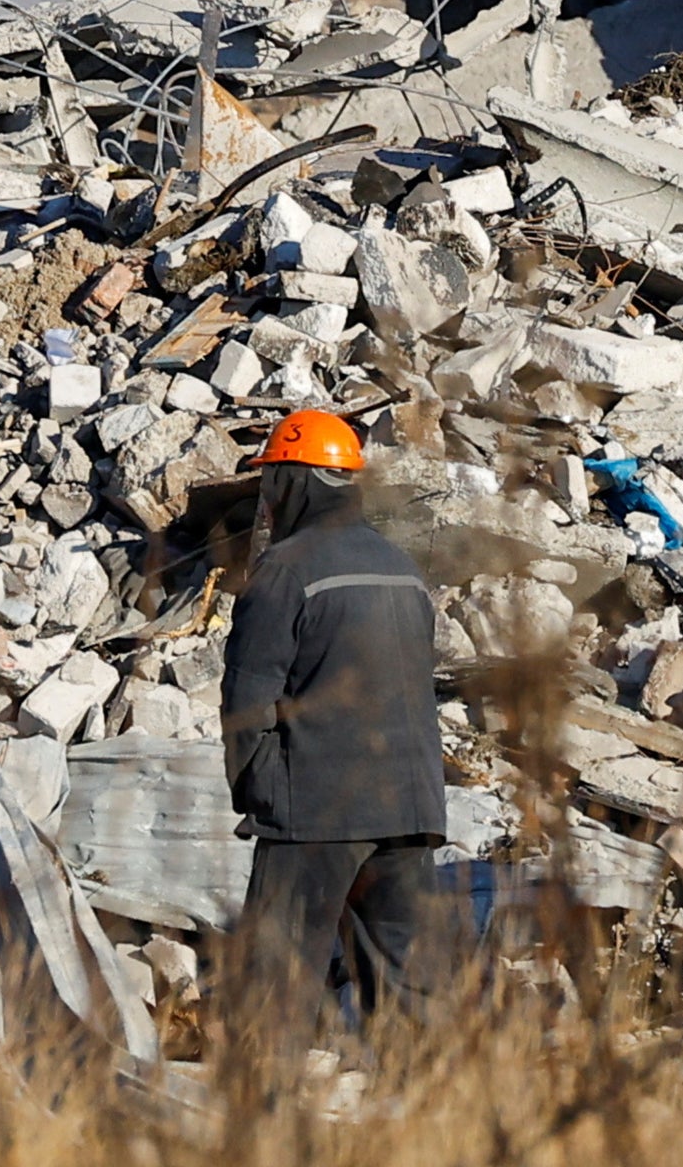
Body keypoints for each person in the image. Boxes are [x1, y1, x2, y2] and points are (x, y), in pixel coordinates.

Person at [219, 408, 449, 1062]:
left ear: (295, 482)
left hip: (315, 810)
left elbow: (247, 697)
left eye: (271, 482)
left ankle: (262, 1131)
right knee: (411, 996)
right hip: (409, 808)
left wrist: (260, 792)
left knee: (275, 983)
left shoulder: (286, 569)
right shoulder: (401, 568)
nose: (266, 499)